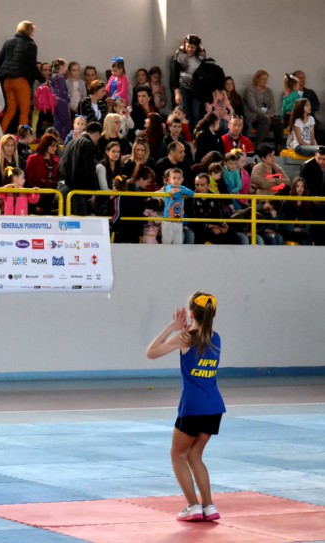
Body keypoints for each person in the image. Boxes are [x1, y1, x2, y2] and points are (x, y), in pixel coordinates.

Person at [146, 292, 225, 523]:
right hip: (214, 408)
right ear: (213, 314)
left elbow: (151, 352)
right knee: (195, 455)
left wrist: (171, 327)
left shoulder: (185, 338)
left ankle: (193, 506)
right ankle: (209, 506)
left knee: (177, 456)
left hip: (192, 408)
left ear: (191, 313)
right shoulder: (216, 338)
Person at [0, 21, 42, 134]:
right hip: (21, 81)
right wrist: (42, 79)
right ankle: (24, 137)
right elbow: (32, 66)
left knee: (10, 111)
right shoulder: (31, 45)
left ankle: (0, 136)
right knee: (24, 111)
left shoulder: (8, 42)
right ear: (30, 31)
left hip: (7, 81)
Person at [186, 173, 247, 244]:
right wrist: (210, 226)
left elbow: (222, 215)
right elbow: (191, 220)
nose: (199, 187)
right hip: (200, 229)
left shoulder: (216, 198)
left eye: (202, 185)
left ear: (208, 186)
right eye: (197, 185)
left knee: (237, 237)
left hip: (217, 227)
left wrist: (224, 225)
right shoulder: (190, 199)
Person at [58, 121, 102, 216]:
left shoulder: (71, 143)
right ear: (96, 135)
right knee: (79, 221)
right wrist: (92, 190)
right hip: (77, 191)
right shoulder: (88, 144)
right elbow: (89, 169)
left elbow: (61, 165)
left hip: (64, 189)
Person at [244, 70, 284, 152]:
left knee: (278, 120)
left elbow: (273, 106)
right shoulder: (250, 90)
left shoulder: (269, 91)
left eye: (266, 79)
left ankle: (278, 145)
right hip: (254, 116)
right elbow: (253, 106)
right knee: (264, 119)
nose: (265, 81)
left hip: (268, 116)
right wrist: (265, 115)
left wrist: (269, 115)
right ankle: (258, 144)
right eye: (263, 79)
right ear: (257, 79)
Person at [171, 34, 206, 129]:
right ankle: (184, 133)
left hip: (196, 88)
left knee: (195, 113)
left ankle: (194, 133)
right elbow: (175, 74)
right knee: (184, 111)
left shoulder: (201, 54)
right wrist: (177, 92)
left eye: (193, 47)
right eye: (188, 46)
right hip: (183, 86)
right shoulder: (180, 54)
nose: (190, 49)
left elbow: (204, 72)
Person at [160, 168, 194, 244]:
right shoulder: (169, 187)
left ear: (182, 180)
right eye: (174, 178)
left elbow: (191, 193)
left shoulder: (182, 188)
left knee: (178, 243)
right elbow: (175, 195)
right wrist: (182, 192)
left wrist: (181, 190)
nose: (176, 180)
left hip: (178, 221)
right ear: (169, 179)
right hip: (168, 221)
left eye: (179, 178)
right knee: (166, 243)